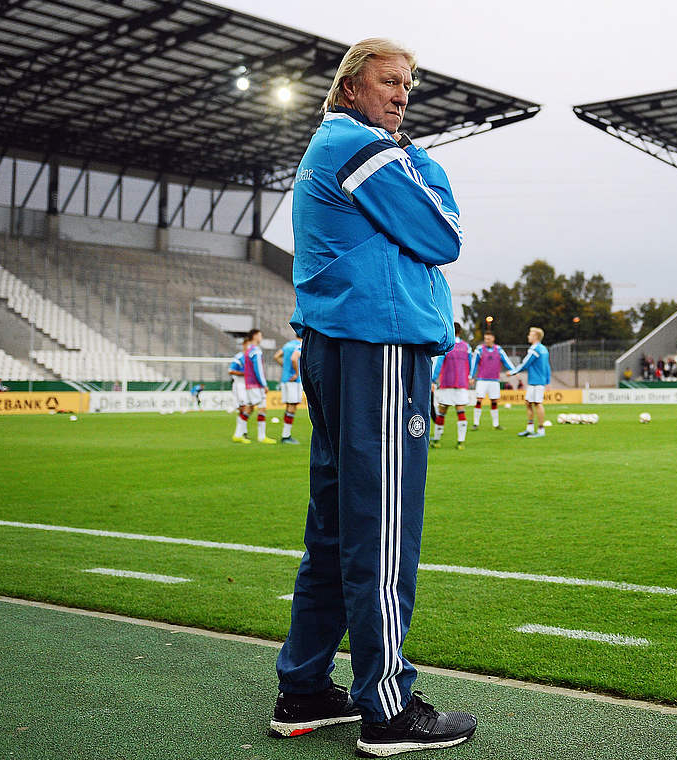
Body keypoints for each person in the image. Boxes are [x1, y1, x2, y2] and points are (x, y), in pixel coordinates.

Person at [272, 38, 476, 756]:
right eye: (389, 81)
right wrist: (419, 161)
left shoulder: (335, 146)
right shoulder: (363, 147)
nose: (402, 94)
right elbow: (443, 234)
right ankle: (387, 708)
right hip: (378, 343)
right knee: (382, 526)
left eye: (408, 85)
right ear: (350, 88)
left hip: (339, 344)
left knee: (333, 527)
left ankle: (303, 686)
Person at [429, 323, 471, 450]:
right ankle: (461, 442)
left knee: (442, 412)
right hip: (461, 383)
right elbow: (471, 363)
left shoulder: (447, 345)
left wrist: (432, 380)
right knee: (461, 411)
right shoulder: (466, 347)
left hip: (447, 383)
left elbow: (439, 365)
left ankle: (437, 441)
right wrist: (469, 377)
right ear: (460, 332)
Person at [233, 331, 275, 444]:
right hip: (256, 384)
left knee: (249, 408)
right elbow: (258, 370)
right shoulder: (256, 351)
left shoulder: (248, 351)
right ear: (255, 336)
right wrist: (264, 384)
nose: (261, 337)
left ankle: (238, 434)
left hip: (249, 383)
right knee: (262, 408)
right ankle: (261, 436)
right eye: (260, 335)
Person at [509, 327, 550, 438]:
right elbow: (547, 366)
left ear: (535, 336)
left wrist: (513, 372)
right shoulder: (544, 349)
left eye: (530, 334)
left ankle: (541, 430)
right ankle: (530, 428)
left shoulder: (535, 349)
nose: (528, 336)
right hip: (537, 381)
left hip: (536, 381)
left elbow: (525, 363)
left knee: (537, 403)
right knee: (528, 402)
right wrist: (547, 381)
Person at [468, 332, 513, 430]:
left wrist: (513, 371)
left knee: (494, 401)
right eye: (485, 339)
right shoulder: (480, 349)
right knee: (479, 400)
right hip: (482, 380)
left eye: (488, 339)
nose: (486, 341)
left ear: (493, 338)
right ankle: (476, 423)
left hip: (494, 380)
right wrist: (471, 376)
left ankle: (496, 424)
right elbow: (474, 363)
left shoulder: (499, 350)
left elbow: (506, 361)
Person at [274, 332, 304, 444]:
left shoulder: (288, 345)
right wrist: (296, 373)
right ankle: (286, 436)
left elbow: (276, 356)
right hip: (294, 381)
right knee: (292, 406)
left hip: (285, 379)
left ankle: (285, 434)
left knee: (288, 406)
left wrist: (285, 367)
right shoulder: (300, 345)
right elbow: (294, 358)